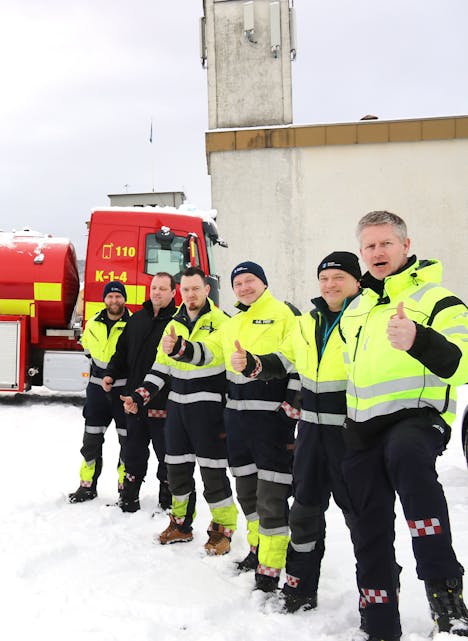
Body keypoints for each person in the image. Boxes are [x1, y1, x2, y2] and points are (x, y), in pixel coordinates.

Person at [338, 211, 468, 639]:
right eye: (370, 246)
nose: (377, 252)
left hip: (416, 420)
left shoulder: (435, 298)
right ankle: (378, 615)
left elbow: (463, 360)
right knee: (366, 522)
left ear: (406, 246)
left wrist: (418, 339)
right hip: (362, 429)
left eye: (386, 243)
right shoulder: (355, 308)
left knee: (408, 458)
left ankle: (444, 592)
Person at [232, 251, 362, 611]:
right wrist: (255, 364)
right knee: (304, 513)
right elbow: (285, 360)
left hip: (352, 438)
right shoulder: (308, 320)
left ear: (356, 281)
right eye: (325, 278)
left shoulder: (367, 318)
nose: (330, 285)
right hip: (311, 436)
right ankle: (300, 589)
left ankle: (377, 598)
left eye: (339, 277)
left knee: (362, 521)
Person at [168, 261, 300, 591]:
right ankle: (258, 551)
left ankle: (272, 567)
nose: (244, 287)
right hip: (238, 420)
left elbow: (298, 360)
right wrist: (182, 349)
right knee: (248, 494)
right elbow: (212, 354)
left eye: (250, 280)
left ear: (264, 283)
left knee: (272, 498)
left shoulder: (286, 314)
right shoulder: (233, 322)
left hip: (271, 420)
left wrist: (291, 407)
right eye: (238, 283)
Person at [141, 267, 236, 554]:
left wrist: (181, 348)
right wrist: (141, 393)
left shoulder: (222, 322)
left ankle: (222, 530)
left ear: (207, 290)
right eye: (185, 290)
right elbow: (161, 366)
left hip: (208, 411)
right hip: (177, 409)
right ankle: (181, 525)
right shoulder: (174, 323)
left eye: (196, 289)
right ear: (179, 292)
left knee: (212, 474)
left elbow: (211, 354)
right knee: (176, 471)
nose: (191, 295)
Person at [104, 272, 176, 513]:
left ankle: (167, 500)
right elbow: (121, 352)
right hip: (134, 401)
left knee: (166, 454)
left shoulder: (176, 323)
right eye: (154, 287)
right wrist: (110, 373)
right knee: (132, 451)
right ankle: (129, 497)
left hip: (164, 403)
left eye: (162, 289)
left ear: (173, 293)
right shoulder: (137, 319)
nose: (156, 292)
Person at [68, 281, 131, 503]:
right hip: (97, 390)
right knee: (91, 441)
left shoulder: (133, 325)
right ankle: (87, 486)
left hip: (123, 390)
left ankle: (126, 489)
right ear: (105, 299)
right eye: (110, 297)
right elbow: (87, 350)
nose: (114, 301)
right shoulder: (93, 323)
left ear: (124, 299)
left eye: (118, 296)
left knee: (127, 441)